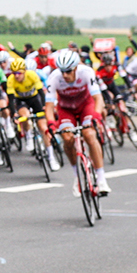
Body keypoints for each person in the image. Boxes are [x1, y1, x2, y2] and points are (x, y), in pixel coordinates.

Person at [44, 49, 111, 195]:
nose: (65, 75)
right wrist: (50, 123)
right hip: (66, 109)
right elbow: (49, 106)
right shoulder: (54, 77)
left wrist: (96, 116)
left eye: (68, 71)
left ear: (75, 68)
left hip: (86, 106)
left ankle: (101, 179)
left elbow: (98, 98)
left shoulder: (86, 72)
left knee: (89, 135)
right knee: (67, 138)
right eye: (62, 71)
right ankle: (77, 176)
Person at [7, 58, 60, 171]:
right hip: (21, 101)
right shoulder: (11, 80)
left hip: (35, 99)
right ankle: (29, 136)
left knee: (43, 127)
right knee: (25, 116)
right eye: (14, 73)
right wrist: (14, 113)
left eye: (19, 73)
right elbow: (11, 100)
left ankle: (51, 158)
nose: (16, 76)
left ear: (25, 71)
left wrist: (44, 107)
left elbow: (41, 92)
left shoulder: (32, 75)